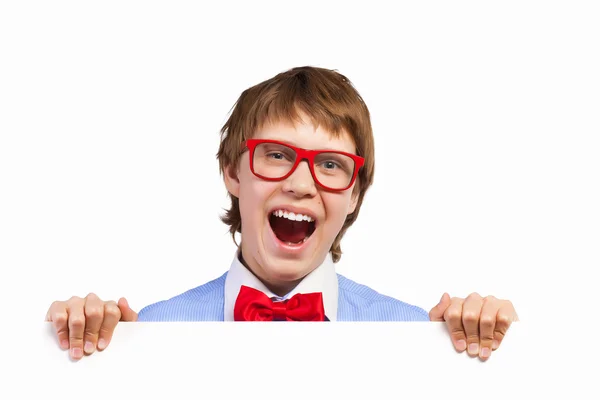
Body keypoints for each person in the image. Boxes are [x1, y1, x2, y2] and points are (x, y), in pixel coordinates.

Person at [45, 66, 518, 362]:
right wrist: (74, 351)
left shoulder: (417, 336)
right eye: (276, 155)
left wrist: (490, 350)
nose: (300, 183)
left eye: (331, 165)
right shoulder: (149, 333)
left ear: (355, 194)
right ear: (233, 172)